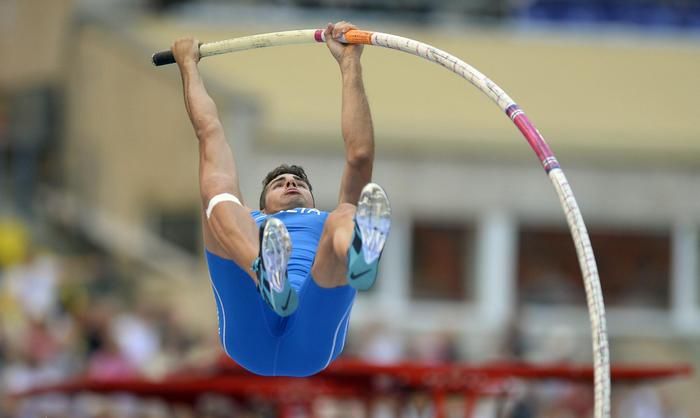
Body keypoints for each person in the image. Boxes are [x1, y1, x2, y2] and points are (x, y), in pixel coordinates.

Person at [171, 21, 391, 377]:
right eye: (279, 182)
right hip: (252, 326)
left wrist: (350, 62)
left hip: (311, 331)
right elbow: (209, 130)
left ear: (310, 198)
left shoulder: (326, 221)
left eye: (298, 181)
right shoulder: (248, 219)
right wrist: (188, 65)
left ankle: (361, 253)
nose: (290, 181)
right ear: (263, 205)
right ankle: (264, 272)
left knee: (348, 210)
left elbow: (359, 156)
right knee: (218, 198)